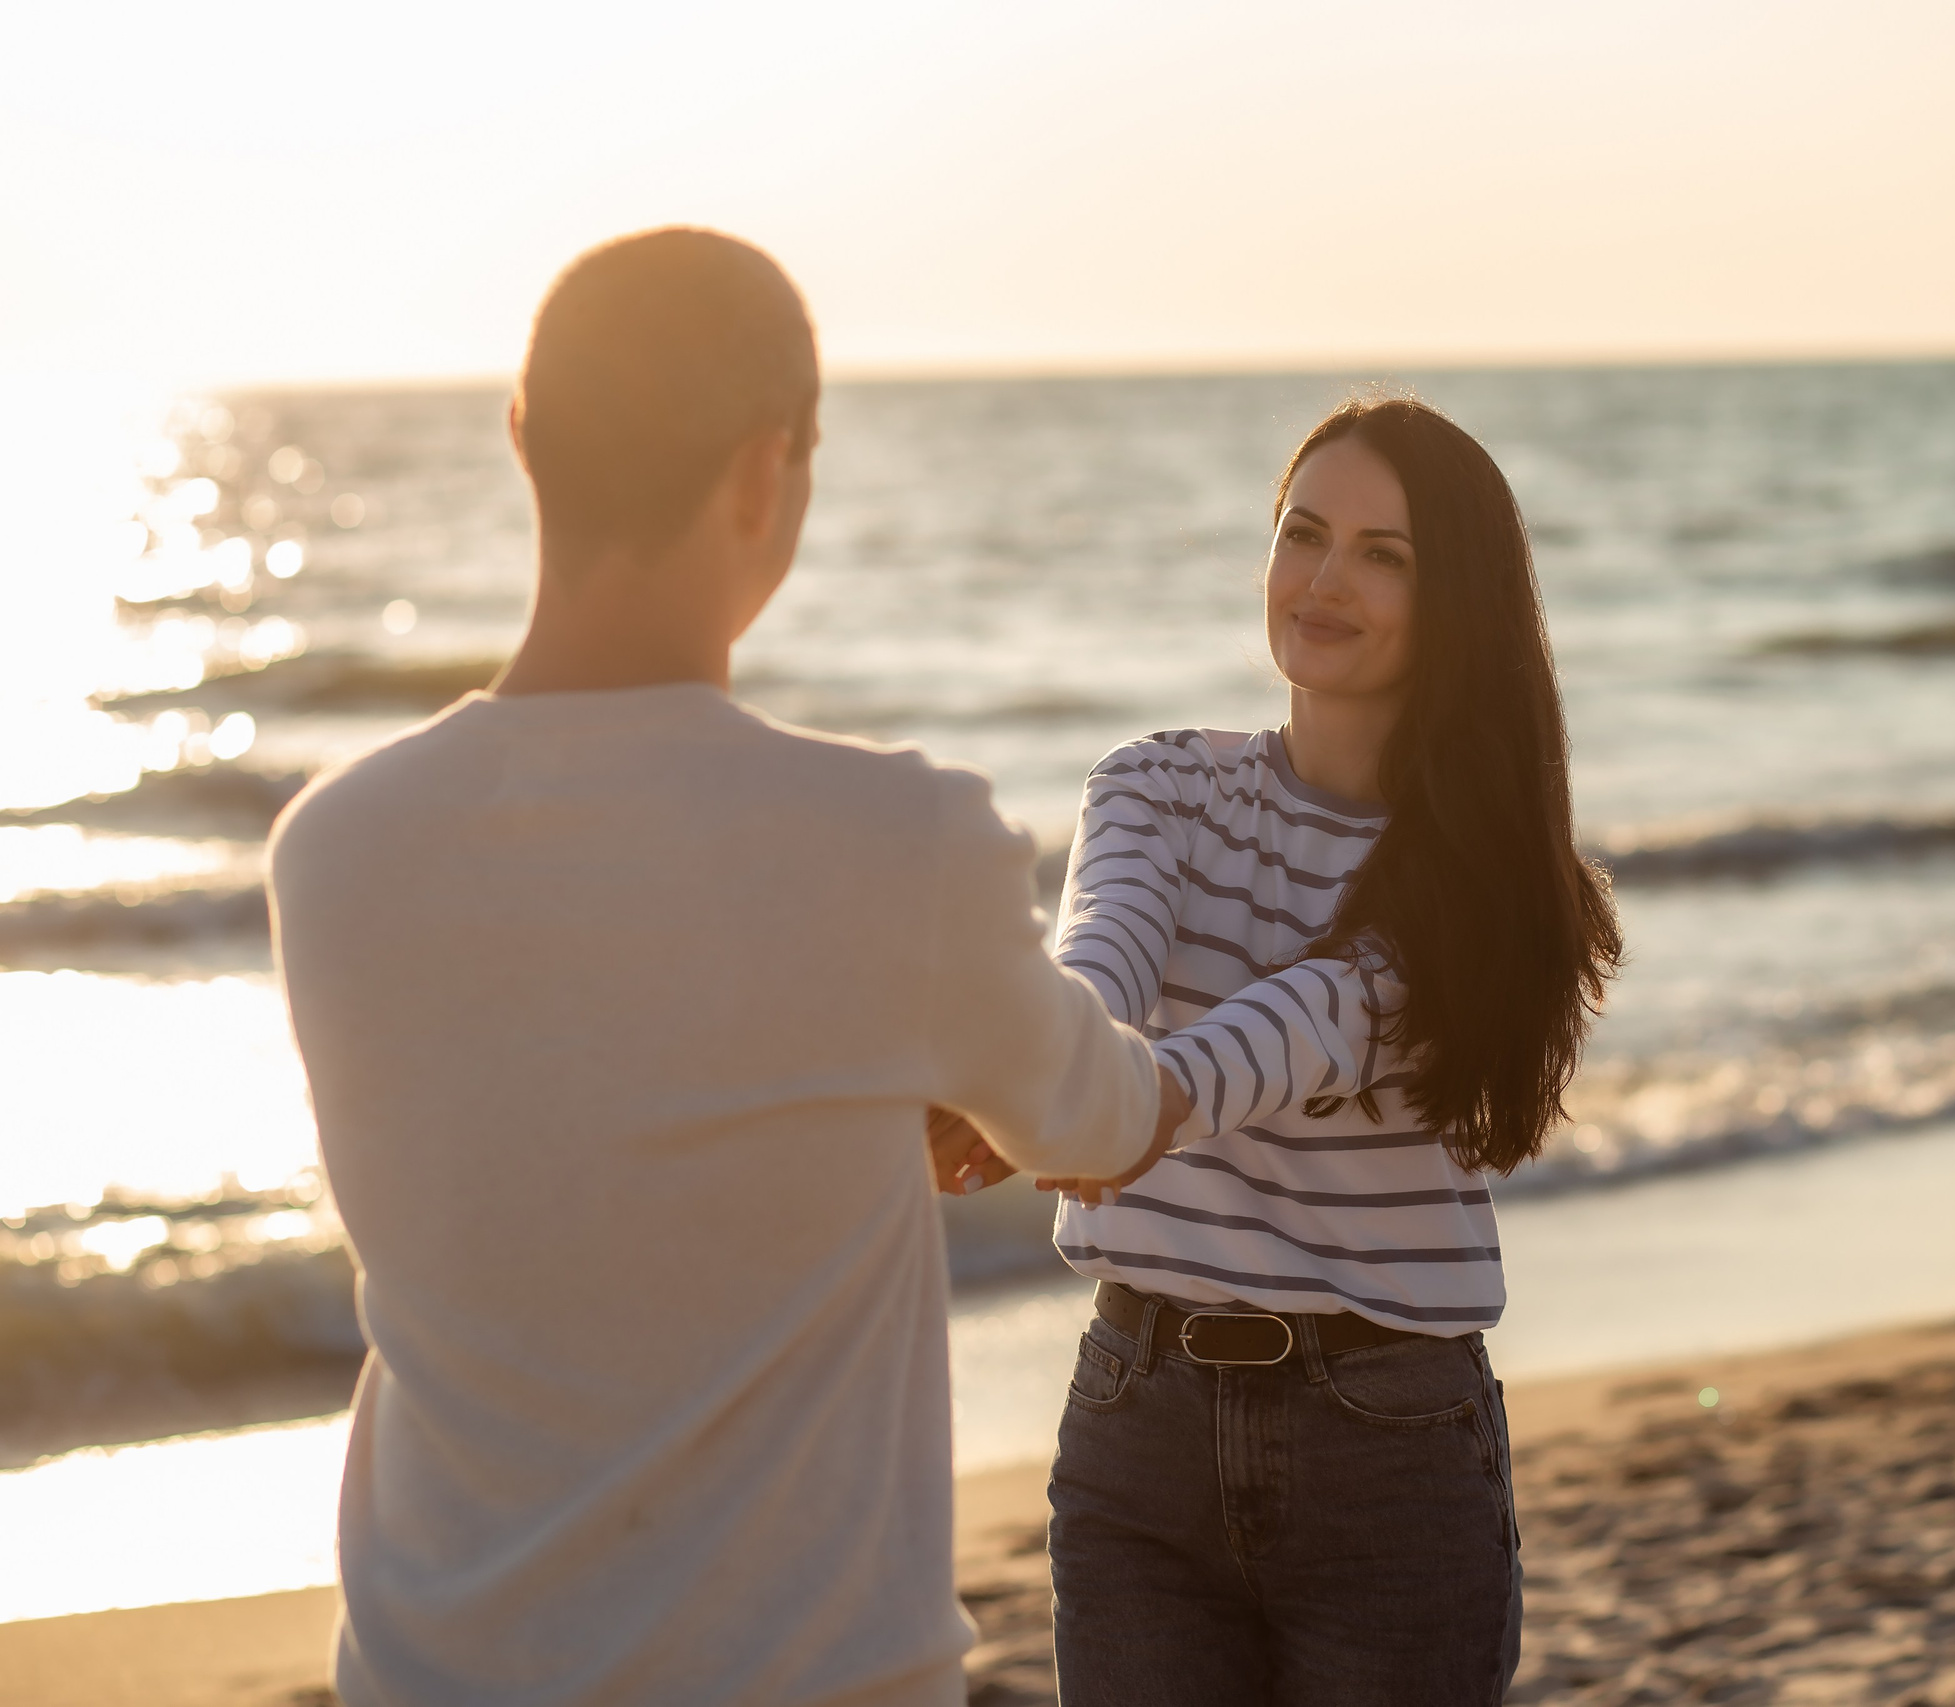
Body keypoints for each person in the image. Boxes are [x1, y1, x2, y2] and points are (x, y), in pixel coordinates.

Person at [267, 228, 1179, 1707]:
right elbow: (1109, 1121)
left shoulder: (332, 849)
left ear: (523, 440)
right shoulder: (900, 843)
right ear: (768, 472)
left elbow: (573, 1132)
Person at [946, 396, 1623, 1704]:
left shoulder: (1478, 873)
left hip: (1386, 1451)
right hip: (1137, 1428)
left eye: (1384, 554)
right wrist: (1038, 1080)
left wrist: (1127, 1103)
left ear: (1458, 599)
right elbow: (1101, 960)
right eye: (1303, 534)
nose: (1324, 580)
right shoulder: (1155, 785)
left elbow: (1312, 1023)